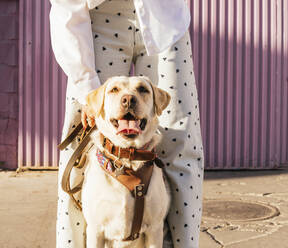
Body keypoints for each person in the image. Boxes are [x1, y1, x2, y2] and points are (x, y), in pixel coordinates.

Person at [49, 0, 204, 247]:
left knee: (180, 144)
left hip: (165, 17)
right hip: (97, 18)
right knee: (79, 145)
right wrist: (85, 84)